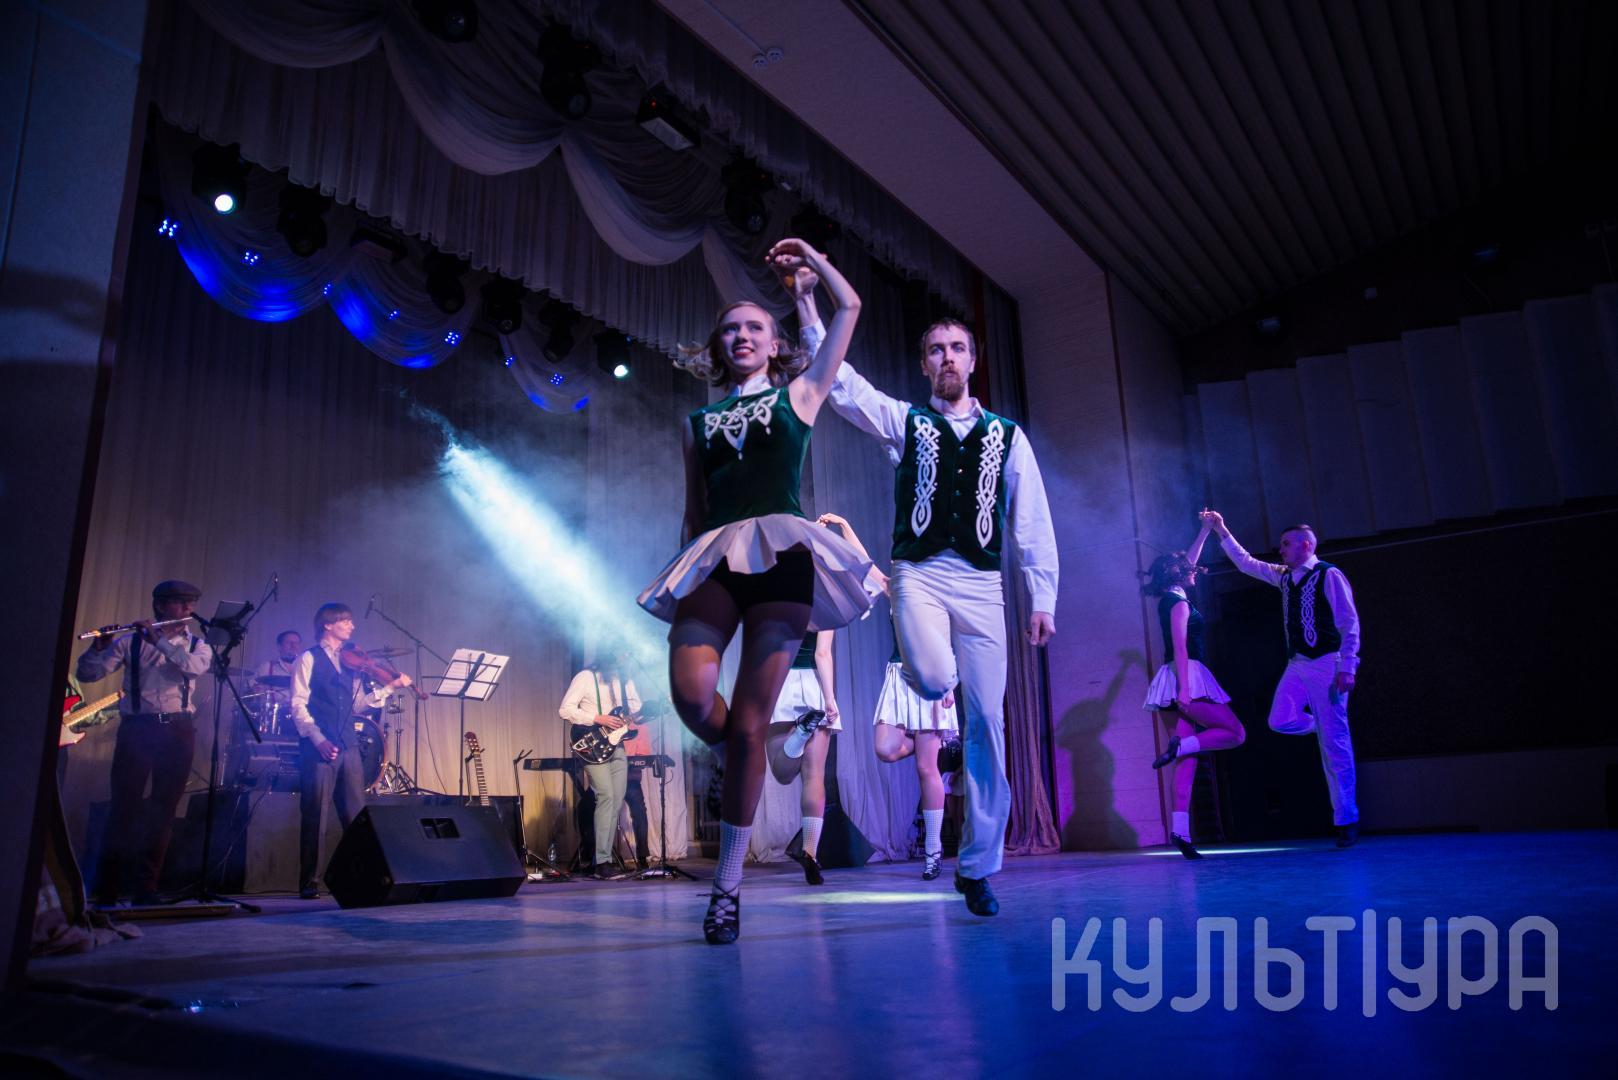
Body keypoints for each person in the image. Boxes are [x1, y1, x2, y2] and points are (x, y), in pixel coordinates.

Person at [638, 238, 875, 944]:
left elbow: (850, 308)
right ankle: (748, 748)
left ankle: (727, 888)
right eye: (730, 329)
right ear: (719, 347)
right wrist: (683, 578)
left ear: (775, 345)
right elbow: (693, 512)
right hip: (713, 556)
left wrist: (812, 268)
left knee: (745, 725)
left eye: (754, 327)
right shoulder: (698, 424)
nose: (741, 335)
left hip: (784, 561)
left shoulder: (799, 395)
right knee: (691, 696)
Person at [802, 294, 1059, 916]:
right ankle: (936, 706)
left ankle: (976, 868)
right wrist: (808, 306)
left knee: (989, 723)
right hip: (917, 573)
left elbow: (1031, 519)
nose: (948, 357)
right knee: (939, 679)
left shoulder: (1007, 436)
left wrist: (1042, 596)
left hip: (983, 584)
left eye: (958, 348)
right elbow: (844, 387)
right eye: (937, 350)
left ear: (972, 361)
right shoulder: (907, 422)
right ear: (924, 364)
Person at [1201, 511, 1362, 847]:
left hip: (1327, 664)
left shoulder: (1328, 574)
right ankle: (1322, 724)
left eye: (1287, 544)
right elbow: (1246, 563)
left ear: (1306, 546)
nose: (1281, 549)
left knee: (1335, 747)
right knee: (1280, 719)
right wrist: (1221, 529)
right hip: (1298, 663)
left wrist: (1348, 665)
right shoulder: (1284, 577)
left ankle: (1346, 819)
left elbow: (1349, 621)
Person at [76, 579, 214, 906]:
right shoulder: (129, 642)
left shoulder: (199, 645)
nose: (188, 609)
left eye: (191, 604)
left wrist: (160, 642)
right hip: (138, 729)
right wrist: (98, 647)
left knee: (163, 811)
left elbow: (192, 669)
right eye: (180, 603)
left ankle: (146, 888)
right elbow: (88, 675)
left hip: (178, 730)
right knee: (123, 808)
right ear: (161, 606)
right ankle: (107, 889)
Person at [289, 602, 412, 899]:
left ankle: (363, 879)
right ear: (328, 625)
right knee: (315, 815)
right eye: (345, 621)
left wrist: (390, 688)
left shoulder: (350, 663)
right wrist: (317, 738)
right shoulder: (308, 658)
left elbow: (357, 705)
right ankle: (310, 882)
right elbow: (297, 704)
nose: (352, 626)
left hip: (349, 746)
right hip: (318, 746)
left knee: (356, 817)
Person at [1140, 518, 1246, 858]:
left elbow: (1188, 561)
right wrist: (1185, 690)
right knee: (1235, 733)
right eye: (1189, 570)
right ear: (1177, 575)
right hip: (1186, 677)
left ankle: (1180, 832)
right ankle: (1181, 746)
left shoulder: (1172, 597)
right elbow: (1180, 647)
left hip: (1171, 679)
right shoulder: (1179, 603)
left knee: (1187, 761)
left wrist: (1205, 531)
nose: (1195, 572)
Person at [872, 648, 960, 879]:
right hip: (898, 673)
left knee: (926, 767)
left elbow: (944, 639)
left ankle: (933, 848)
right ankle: (934, 743)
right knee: (885, 749)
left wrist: (948, 684)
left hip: (929, 673)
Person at [558, 650, 644, 879]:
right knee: (605, 795)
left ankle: (602, 860)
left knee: (616, 799)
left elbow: (636, 709)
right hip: (591, 745)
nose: (624, 660)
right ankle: (602, 862)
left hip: (618, 745)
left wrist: (650, 711)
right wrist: (598, 718)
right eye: (621, 656)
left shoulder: (625, 681)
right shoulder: (586, 677)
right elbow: (565, 709)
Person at [252, 630, 302, 736]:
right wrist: (257, 692)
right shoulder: (267, 667)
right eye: (289, 643)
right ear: (279, 646)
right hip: (273, 718)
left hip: (301, 718)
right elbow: (252, 687)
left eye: (296, 643)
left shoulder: (305, 668)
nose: (294, 646)